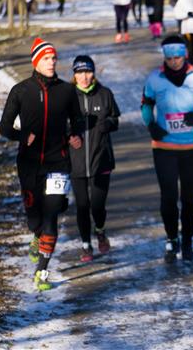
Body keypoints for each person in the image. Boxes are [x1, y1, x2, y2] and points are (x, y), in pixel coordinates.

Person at [0, 37, 83, 291]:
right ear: (36, 61)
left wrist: (75, 134)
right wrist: (23, 136)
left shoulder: (66, 91)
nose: (51, 62)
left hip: (59, 161)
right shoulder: (21, 90)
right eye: (46, 58)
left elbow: (77, 120)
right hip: (30, 163)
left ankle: (42, 271)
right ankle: (37, 236)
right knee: (35, 219)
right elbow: (4, 127)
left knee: (52, 214)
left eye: (54, 58)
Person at [140, 34, 193, 263]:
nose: (174, 62)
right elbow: (146, 105)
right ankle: (172, 239)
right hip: (164, 147)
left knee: (189, 199)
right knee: (169, 197)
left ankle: (188, 241)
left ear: (185, 55)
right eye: (170, 58)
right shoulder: (155, 78)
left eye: (178, 57)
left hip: (192, 147)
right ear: (165, 57)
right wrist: (151, 125)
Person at [69, 55, 121, 262]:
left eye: (88, 72)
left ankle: (100, 230)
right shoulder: (68, 96)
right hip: (76, 162)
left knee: (97, 205)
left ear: (94, 73)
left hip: (101, 160)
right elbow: (57, 124)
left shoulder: (104, 93)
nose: (84, 77)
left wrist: (108, 124)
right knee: (82, 205)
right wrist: (69, 136)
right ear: (74, 75)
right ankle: (85, 244)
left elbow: (115, 119)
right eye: (80, 72)